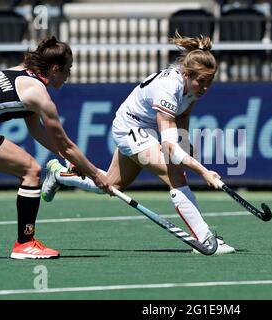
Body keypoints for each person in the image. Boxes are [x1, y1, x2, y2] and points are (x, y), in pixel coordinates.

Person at [41, 31, 235, 254]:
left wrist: (184, 140)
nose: (205, 87)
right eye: (201, 81)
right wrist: (203, 171)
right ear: (186, 74)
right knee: (175, 174)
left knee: (112, 185)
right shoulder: (168, 88)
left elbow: (182, 115)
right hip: (131, 128)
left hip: (146, 128)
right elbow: (169, 148)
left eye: (210, 82)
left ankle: (59, 175)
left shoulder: (192, 87)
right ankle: (205, 239)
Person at [0, 36, 112, 259]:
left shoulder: (22, 72)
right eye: (67, 69)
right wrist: (95, 175)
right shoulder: (39, 94)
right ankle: (25, 243)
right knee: (31, 170)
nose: (68, 76)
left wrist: (68, 158)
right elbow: (65, 143)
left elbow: (36, 130)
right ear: (55, 68)